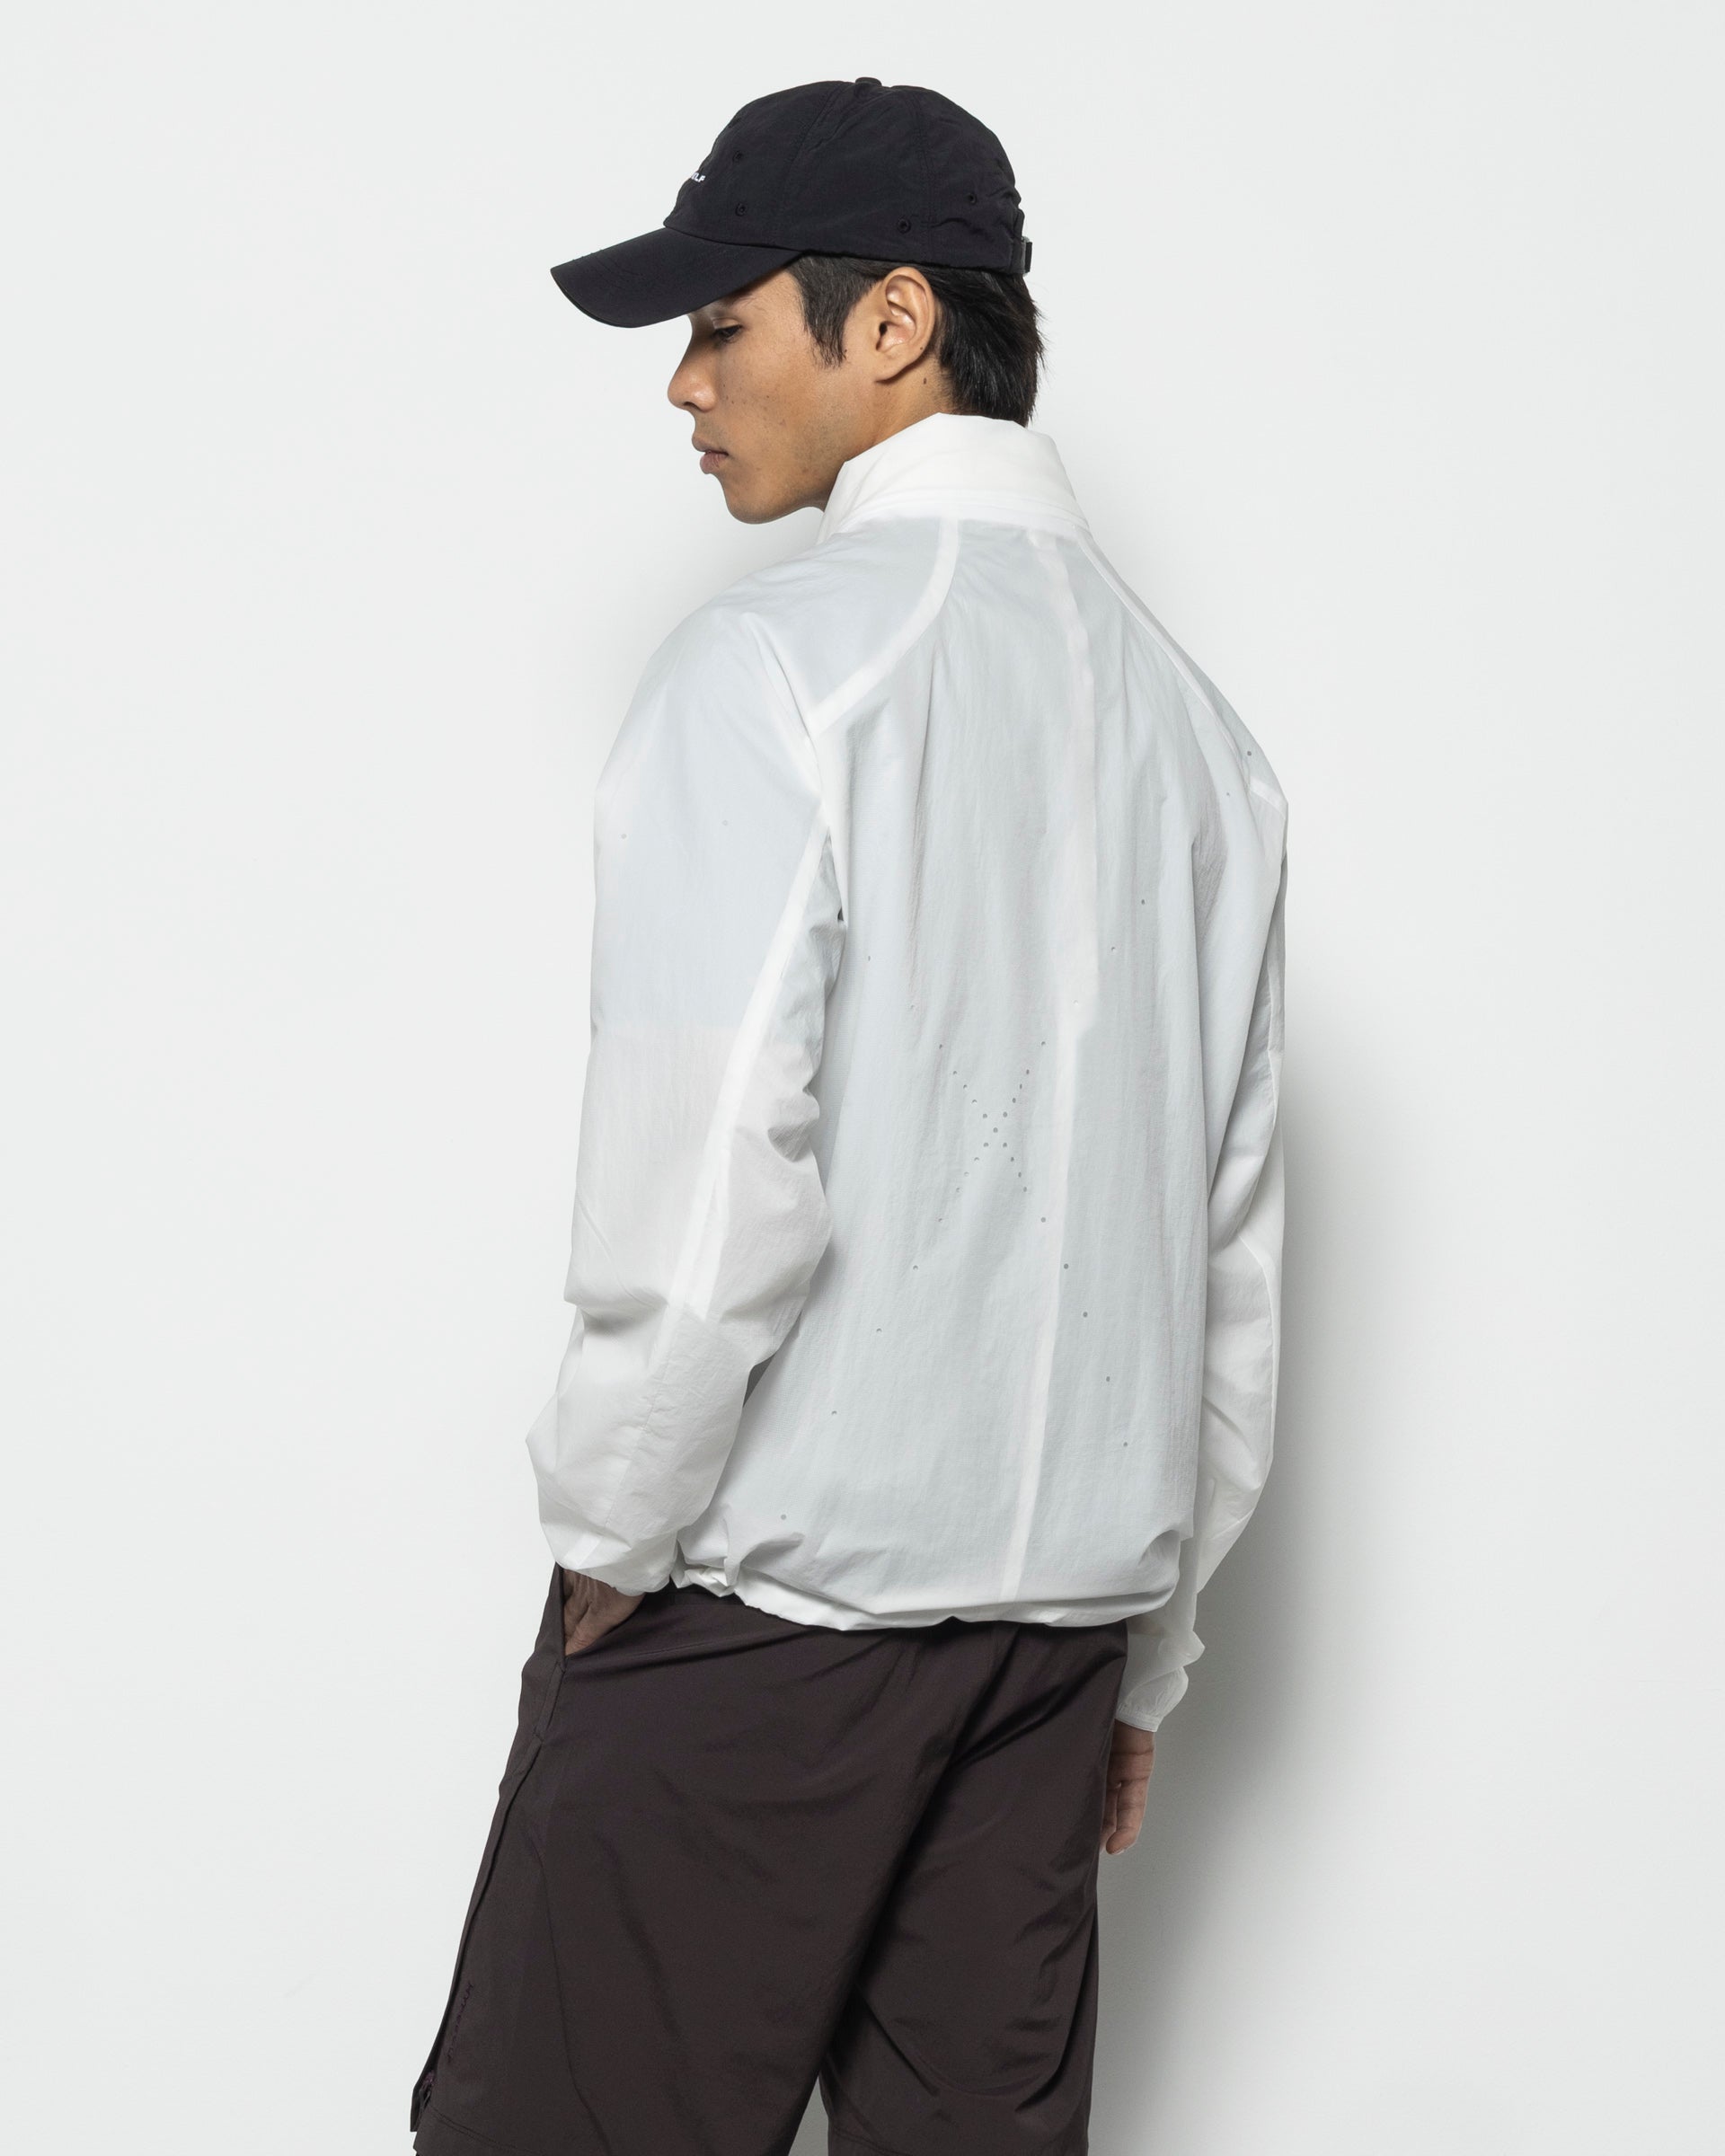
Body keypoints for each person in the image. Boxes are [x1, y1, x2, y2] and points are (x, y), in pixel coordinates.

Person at [410, 75, 1287, 2156]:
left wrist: (610, 1543)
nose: (684, 384)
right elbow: (1230, 1249)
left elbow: (710, 1177)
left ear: (890, 323)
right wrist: (1144, 1657)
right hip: (1051, 1649)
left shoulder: (783, 669)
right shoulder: (1202, 743)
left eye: (720, 325)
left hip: (762, 1633)